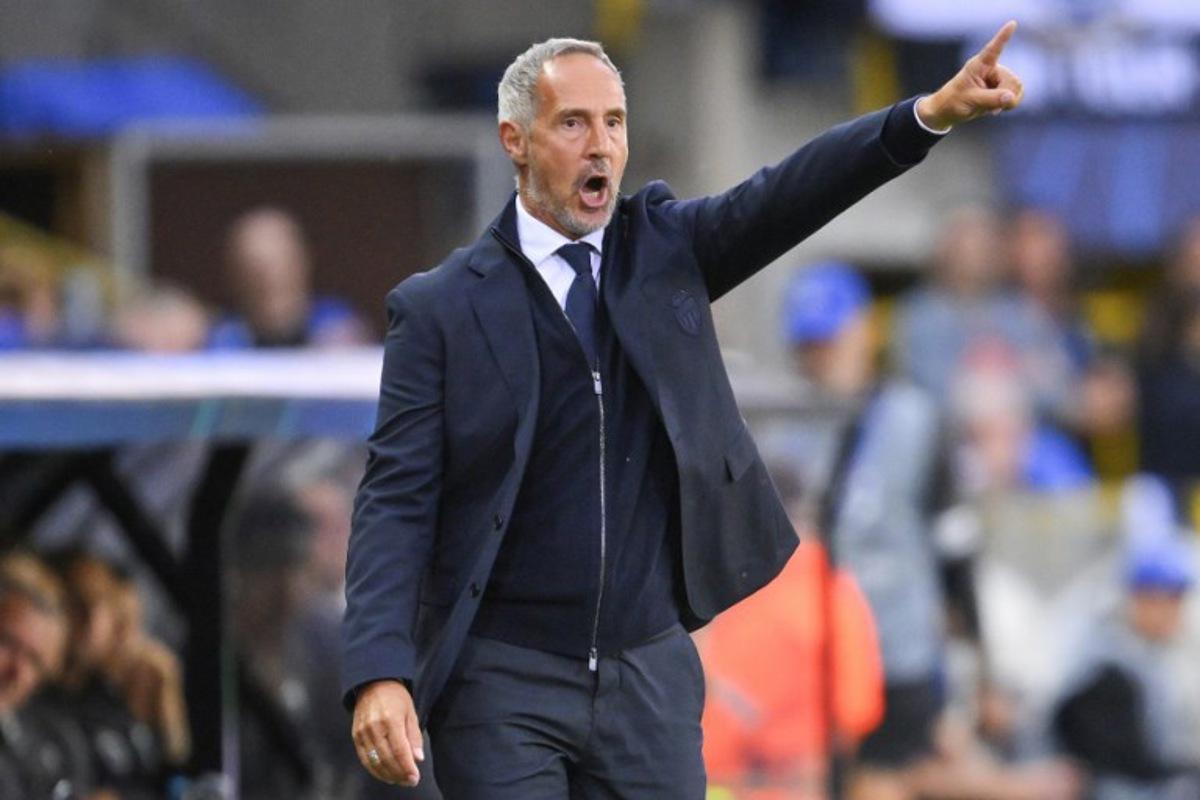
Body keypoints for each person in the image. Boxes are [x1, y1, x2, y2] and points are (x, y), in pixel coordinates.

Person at [342, 28, 1026, 798]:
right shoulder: (439, 310)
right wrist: (378, 671)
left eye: (615, 122)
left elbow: (790, 192)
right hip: (504, 680)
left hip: (648, 675)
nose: (600, 145)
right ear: (516, 141)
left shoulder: (664, 249)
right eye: (573, 123)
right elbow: (395, 500)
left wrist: (924, 116)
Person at [208, 206, 369, 349]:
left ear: (301, 263)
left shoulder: (337, 323)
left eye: (278, 263)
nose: (268, 280)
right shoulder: (224, 338)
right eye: (254, 269)